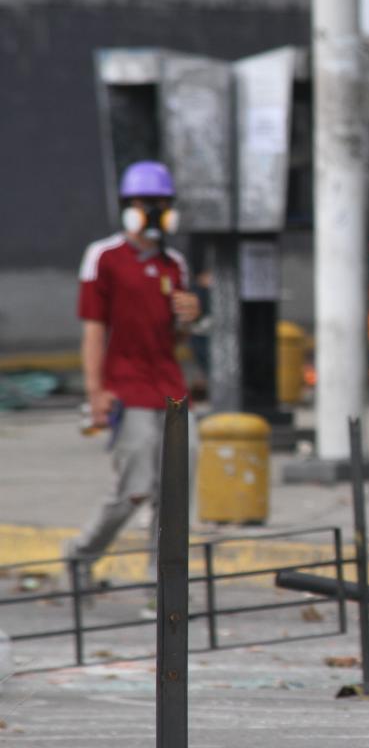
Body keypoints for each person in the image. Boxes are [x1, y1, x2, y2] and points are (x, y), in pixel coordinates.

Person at [64, 160, 199, 598]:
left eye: (162, 204)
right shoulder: (103, 257)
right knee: (135, 490)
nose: (156, 213)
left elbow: (175, 336)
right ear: (129, 207)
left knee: (176, 491)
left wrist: (188, 318)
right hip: (127, 388)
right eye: (146, 204)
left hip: (171, 389)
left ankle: (164, 590)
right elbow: (93, 329)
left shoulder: (174, 264)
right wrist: (96, 391)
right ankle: (82, 553)